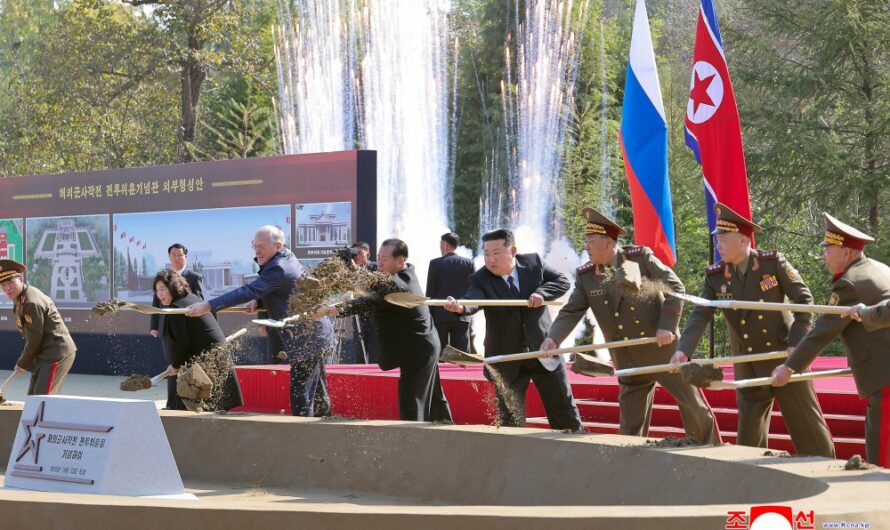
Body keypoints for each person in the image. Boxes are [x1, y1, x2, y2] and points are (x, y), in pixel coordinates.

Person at [542, 208, 720, 444]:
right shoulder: (587, 275)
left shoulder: (640, 259)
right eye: (586, 240)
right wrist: (554, 338)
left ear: (606, 242)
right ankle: (632, 462)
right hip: (626, 355)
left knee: (693, 406)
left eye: (590, 241)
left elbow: (676, 288)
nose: (585, 246)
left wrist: (667, 326)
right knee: (630, 423)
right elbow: (572, 310)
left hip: (661, 350)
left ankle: (710, 450)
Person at [672, 203, 834, 457]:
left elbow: (804, 299)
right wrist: (683, 351)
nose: (719, 245)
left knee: (806, 425)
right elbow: (702, 312)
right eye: (718, 240)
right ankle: (750, 481)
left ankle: (826, 471)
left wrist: (796, 343)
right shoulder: (715, 275)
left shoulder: (771, 263)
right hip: (747, 358)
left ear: (744, 241)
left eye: (724, 239)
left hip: (783, 355)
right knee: (749, 436)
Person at [772, 213, 890, 466]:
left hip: (885, 376)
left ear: (846, 253)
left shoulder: (849, 283)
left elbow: (822, 332)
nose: (824, 256)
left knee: (881, 450)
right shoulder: (879, 268)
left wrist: (789, 367)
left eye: (828, 250)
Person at [185, 225, 335, 418]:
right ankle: (326, 426)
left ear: (278, 245)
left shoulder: (280, 268)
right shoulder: (286, 257)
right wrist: (260, 300)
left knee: (302, 393)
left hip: (308, 338)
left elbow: (248, 290)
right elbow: (286, 288)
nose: (256, 251)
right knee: (317, 389)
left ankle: (302, 435)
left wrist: (208, 306)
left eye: (261, 246)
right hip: (315, 334)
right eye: (254, 246)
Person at [445, 229, 582, 431]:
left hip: (543, 349)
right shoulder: (481, 278)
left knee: (565, 413)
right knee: (510, 421)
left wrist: (541, 293)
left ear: (513, 250)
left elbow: (562, 282)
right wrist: (461, 307)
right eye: (486, 254)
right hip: (507, 357)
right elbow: (473, 299)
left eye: (497, 253)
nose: (491, 259)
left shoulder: (533, 263)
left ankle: (575, 455)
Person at [318, 238, 452, 422]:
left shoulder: (397, 285)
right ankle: (445, 431)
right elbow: (372, 283)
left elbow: (371, 299)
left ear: (400, 261)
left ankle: (412, 440)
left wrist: (335, 309)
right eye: (379, 258)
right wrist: (353, 269)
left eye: (384, 259)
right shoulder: (405, 273)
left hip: (418, 350)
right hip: (422, 345)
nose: (379, 263)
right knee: (434, 398)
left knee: (412, 400)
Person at [153, 269, 242, 411]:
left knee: (209, 410)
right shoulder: (191, 299)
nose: (160, 294)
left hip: (211, 360)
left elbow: (183, 342)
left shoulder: (177, 308)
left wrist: (175, 366)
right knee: (212, 409)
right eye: (157, 291)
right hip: (215, 357)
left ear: (172, 287)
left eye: (163, 289)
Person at [0, 259, 76, 395]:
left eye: (11, 282)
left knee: (42, 399)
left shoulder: (30, 302)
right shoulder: (20, 298)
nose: (7, 288)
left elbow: (35, 338)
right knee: (33, 398)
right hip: (44, 355)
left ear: (20, 279)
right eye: (3, 284)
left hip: (56, 353)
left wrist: (23, 363)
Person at [150, 243, 206, 409]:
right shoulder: (163, 277)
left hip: (187, 327)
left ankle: (186, 401)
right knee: (172, 363)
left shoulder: (194, 276)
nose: (177, 258)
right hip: (167, 326)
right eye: (173, 255)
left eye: (180, 255)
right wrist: (154, 324)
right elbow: (156, 303)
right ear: (169, 258)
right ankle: (172, 401)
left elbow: (202, 301)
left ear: (185, 257)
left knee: (184, 362)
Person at [426, 232, 474, 353]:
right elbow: (472, 290)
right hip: (462, 315)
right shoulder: (469, 263)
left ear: (445, 245)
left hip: (440, 316)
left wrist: (429, 315)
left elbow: (430, 291)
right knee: (461, 356)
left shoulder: (435, 263)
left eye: (440, 244)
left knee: (439, 353)